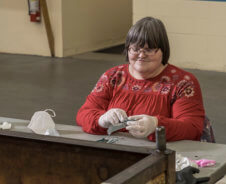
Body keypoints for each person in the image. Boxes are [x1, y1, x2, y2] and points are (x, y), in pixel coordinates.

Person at [76, 17, 205, 142]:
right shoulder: (113, 76)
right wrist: (101, 119)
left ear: (163, 50)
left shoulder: (183, 83)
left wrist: (156, 125)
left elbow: (192, 128)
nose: (141, 55)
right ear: (127, 49)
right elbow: (83, 114)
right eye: (135, 49)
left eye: (149, 50)